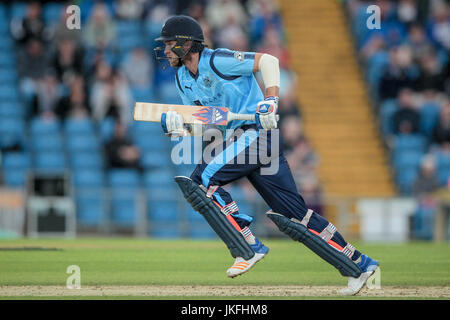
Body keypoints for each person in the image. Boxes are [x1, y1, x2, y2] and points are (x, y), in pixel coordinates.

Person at [155, 15, 379, 296]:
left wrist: (270, 100)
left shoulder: (217, 60)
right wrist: (182, 127)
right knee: (296, 215)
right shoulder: (182, 79)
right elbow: (205, 124)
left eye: (170, 44)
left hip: (258, 135)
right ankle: (359, 264)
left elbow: (268, 62)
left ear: (187, 44)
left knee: (201, 181)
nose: (165, 50)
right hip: (239, 139)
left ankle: (247, 246)